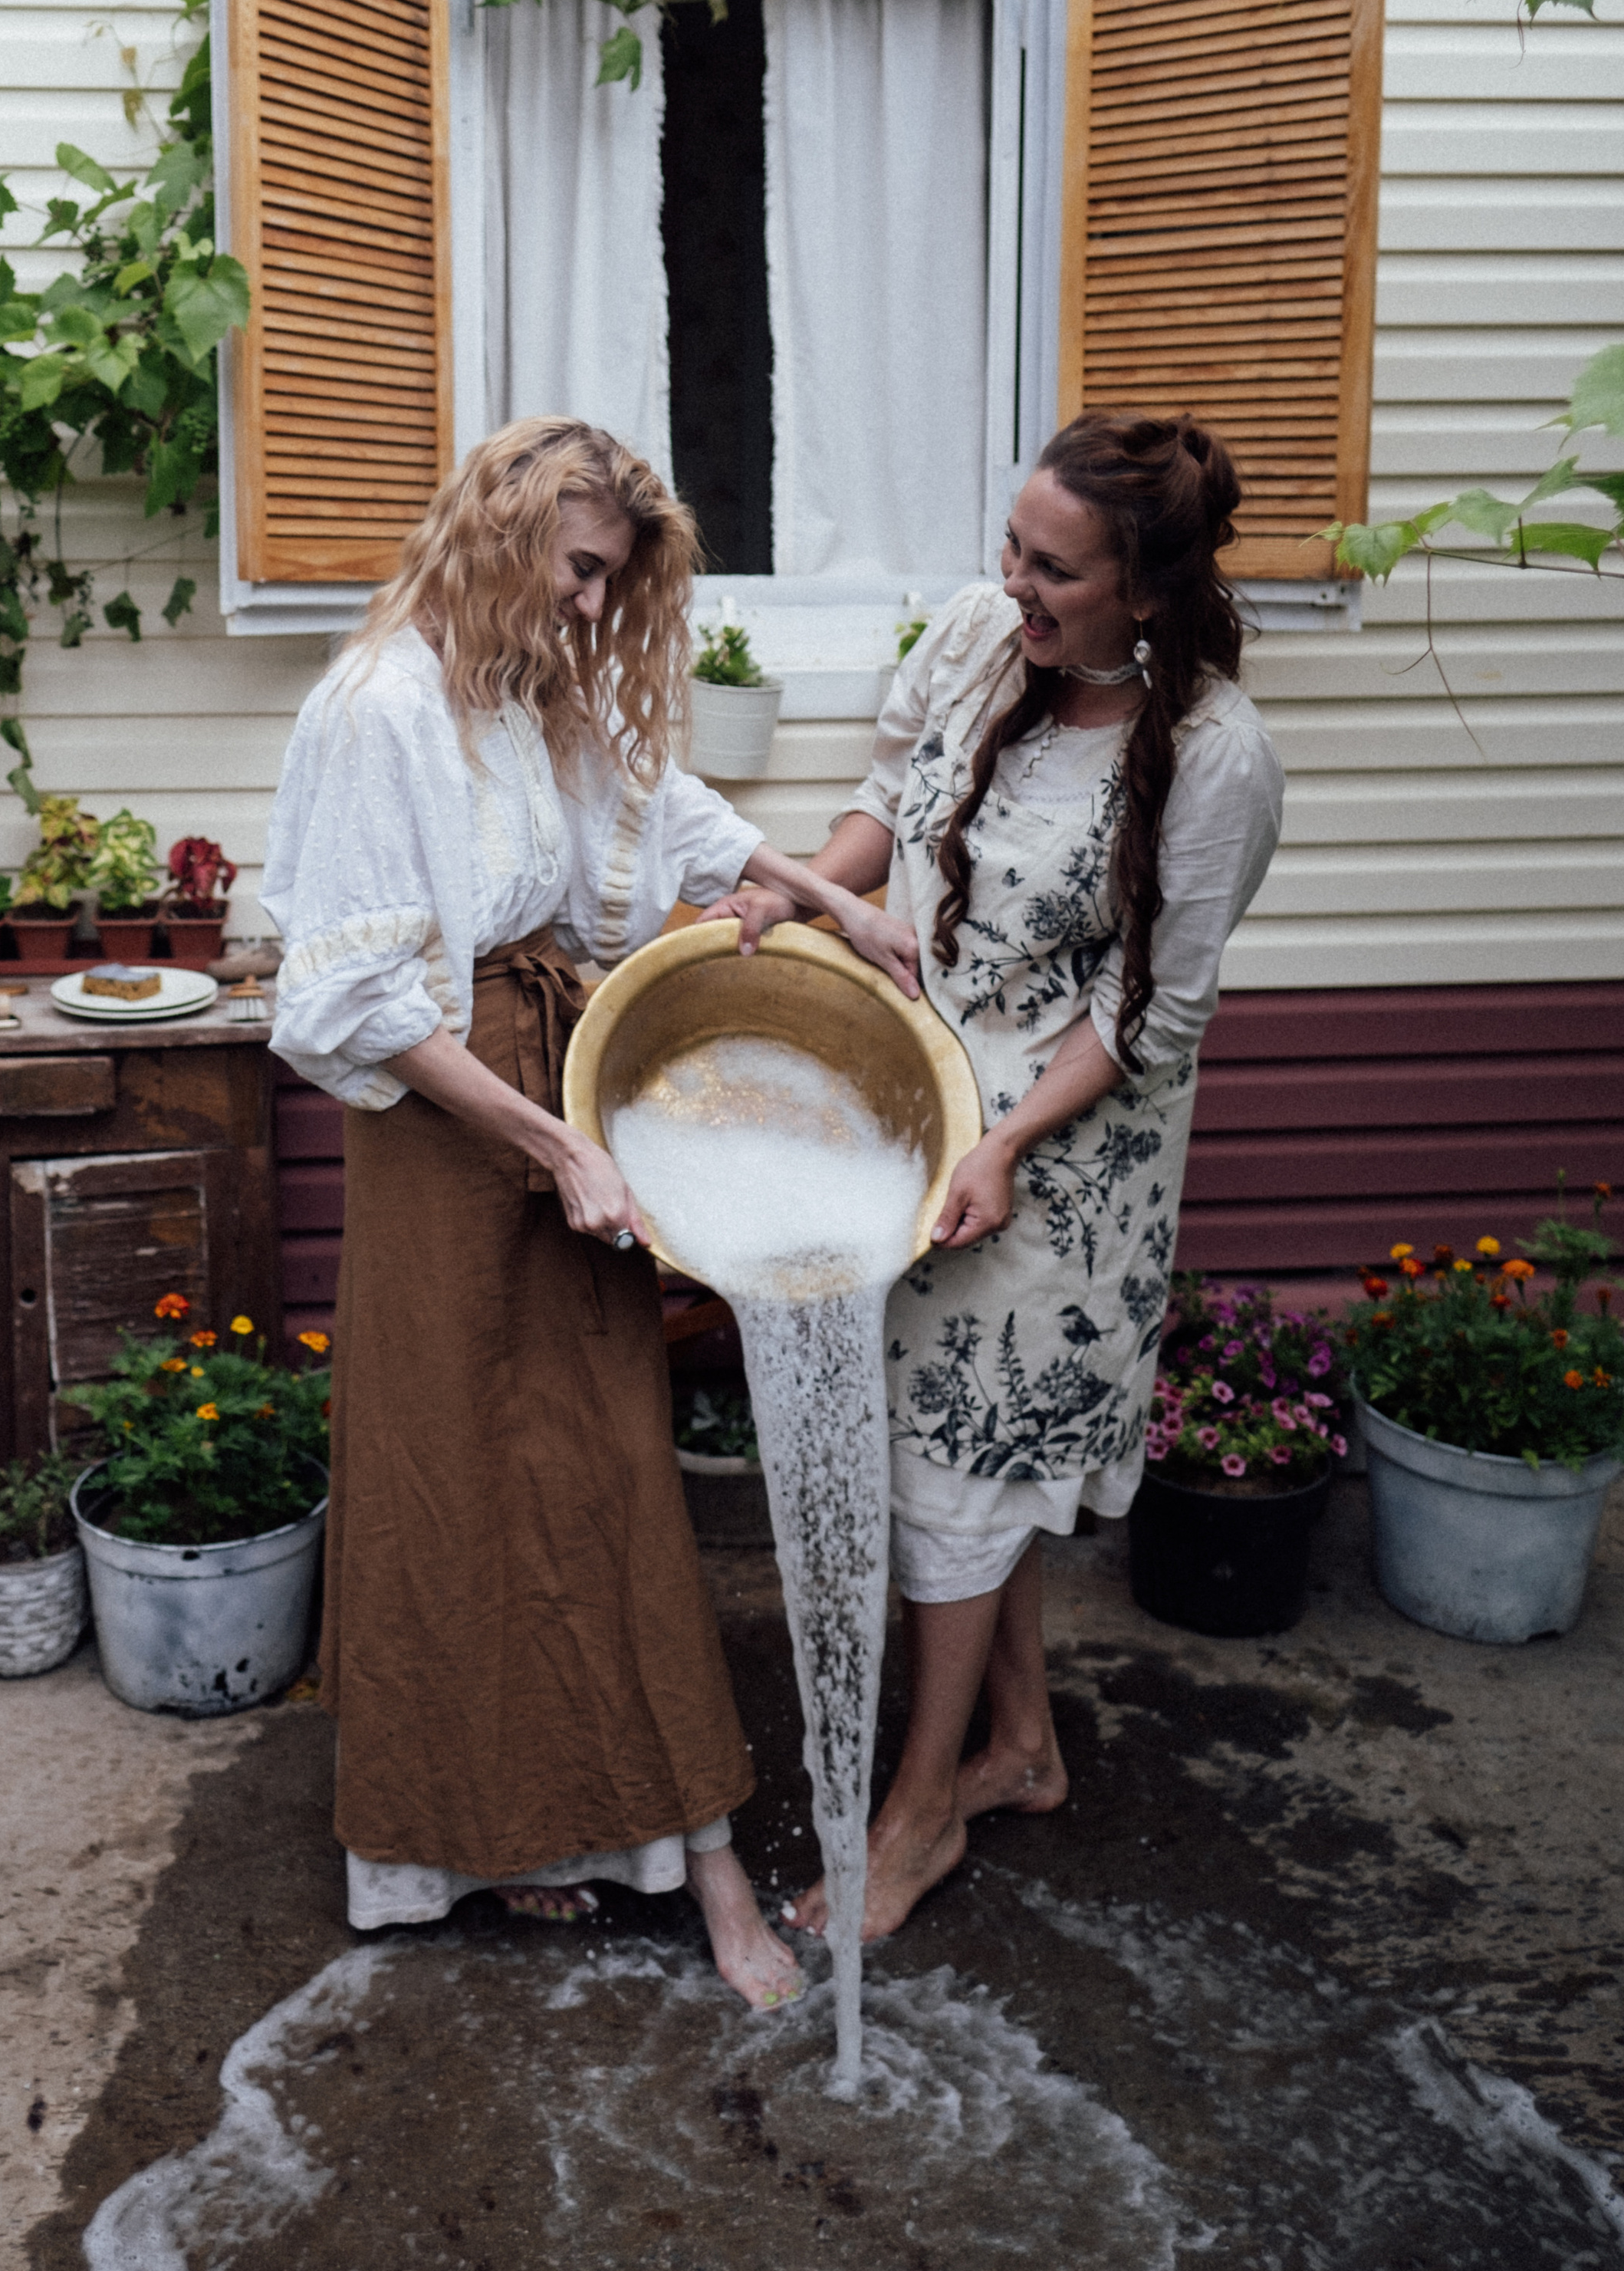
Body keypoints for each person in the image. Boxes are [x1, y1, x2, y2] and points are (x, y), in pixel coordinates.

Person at [262, 416, 912, 2007]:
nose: (592, 607)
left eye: (611, 580)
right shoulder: (377, 707)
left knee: (607, 1467)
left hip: (559, 1091)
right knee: (457, 1479)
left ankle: (690, 1860)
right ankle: (480, 1837)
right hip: (449, 1124)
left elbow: (672, 814)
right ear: (496, 536)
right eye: (578, 570)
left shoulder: (526, 689)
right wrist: (549, 1147)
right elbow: (358, 1000)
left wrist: (833, 901)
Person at [707, 411, 1285, 1942]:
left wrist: (1006, 1143)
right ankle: (1020, 1747)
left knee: (963, 1471)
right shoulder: (979, 636)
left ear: (1144, 591)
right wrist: (809, 896)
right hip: (916, 1117)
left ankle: (915, 1820)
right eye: (1011, 548)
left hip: (1057, 1170)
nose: (1012, 585)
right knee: (957, 1461)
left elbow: (1149, 1013)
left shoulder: (1215, 756)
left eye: (1053, 571)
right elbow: (890, 794)